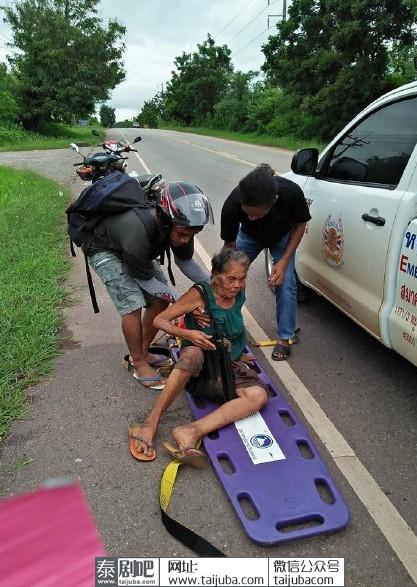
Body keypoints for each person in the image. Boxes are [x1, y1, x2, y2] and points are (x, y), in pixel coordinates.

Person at [128, 249, 268, 465]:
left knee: (258, 396)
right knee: (192, 354)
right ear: (216, 276)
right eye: (231, 278)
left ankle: (190, 432)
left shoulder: (238, 289)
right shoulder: (200, 294)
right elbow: (160, 321)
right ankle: (150, 423)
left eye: (242, 278)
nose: (237, 285)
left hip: (227, 361)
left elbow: (232, 320)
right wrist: (188, 333)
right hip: (201, 367)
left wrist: (238, 350)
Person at [85, 181, 213, 390]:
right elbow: (144, 280)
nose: (184, 240)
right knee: (132, 304)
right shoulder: (139, 230)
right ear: (165, 221)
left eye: (191, 235)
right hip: (104, 248)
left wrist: (213, 287)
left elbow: (186, 262)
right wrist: (185, 304)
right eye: (181, 234)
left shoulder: (182, 224)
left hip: (133, 249)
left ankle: (144, 351)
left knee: (160, 301)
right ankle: (138, 361)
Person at [220, 164, 311, 361]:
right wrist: (225, 271)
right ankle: (229, 326)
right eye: (247, 213)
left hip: (282, 237)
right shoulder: (233, 202)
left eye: (257, 214)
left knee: (286, 283)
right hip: (249, 237)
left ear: (274, 201)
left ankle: (285, 338)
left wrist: (284, 261)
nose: (251, 217)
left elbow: (300, 225)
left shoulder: (291, 193)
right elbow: (229, 244)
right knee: (230, 278)